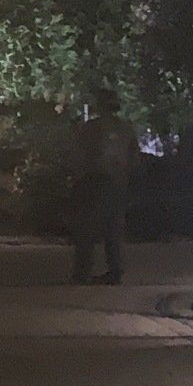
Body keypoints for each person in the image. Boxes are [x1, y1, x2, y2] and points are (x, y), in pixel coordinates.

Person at [71, 91, 140, 284]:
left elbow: (78, 156)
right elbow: (134, 159)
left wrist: (78, 178)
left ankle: (82, 272)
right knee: (114, 228)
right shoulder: (126, 129)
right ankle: (115, 270)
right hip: (117, 183)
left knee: (87, 228)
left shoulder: (90, 128)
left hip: (93, 182)